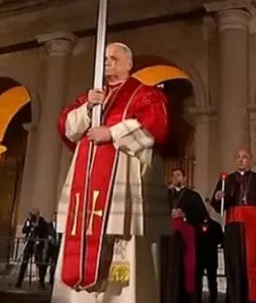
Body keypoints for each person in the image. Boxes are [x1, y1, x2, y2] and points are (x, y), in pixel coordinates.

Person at [52, 42, 170, 303]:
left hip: (121, 185)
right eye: (104, 58)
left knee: (121, 244)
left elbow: (153, 127)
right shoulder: (92, 96)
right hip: (86, 184)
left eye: (113, 58)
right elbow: (67, 128)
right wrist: (87, 109)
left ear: (129, 64)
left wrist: (112, 133)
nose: (107, 62)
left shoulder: (144, 94)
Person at [210, 149, 256, 303]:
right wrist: (218, 198)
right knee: (234, 262)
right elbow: (218, 207)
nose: (240, 160)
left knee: (253, 262)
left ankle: (254, 297)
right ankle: (235, 297)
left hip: (254, 223)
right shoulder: (227, 180)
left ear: (251, 160)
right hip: (233, 224)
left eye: (244, 157)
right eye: (237, 157)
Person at [163, 168, 208, 303]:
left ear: (184, 178)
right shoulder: (165, 194)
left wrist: (185, 215)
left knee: (185, 268)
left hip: (186, 239)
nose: (175, 178)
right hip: (168, 238)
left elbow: (203, 216)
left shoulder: (193, 196)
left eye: (178, 175)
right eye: (173, 175)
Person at [15, 208, 49, 289]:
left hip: (38, 244)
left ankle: (41, 283)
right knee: (24, 262)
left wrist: (36, 228)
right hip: (30, 243)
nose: (31, 216)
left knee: (40, 264)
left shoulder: (42, 222)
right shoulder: (28, 221)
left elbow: (44, 233)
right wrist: (29, 227)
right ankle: (19, 281)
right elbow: (24, 230)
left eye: (32, 215)